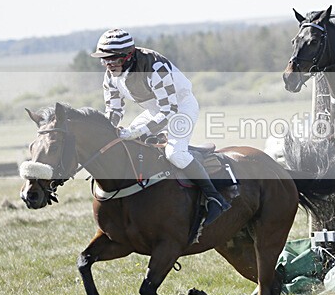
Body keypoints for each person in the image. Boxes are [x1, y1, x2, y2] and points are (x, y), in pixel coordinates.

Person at [90, 29, 231, 225]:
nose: (108, 63)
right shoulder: (110, 75)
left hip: (181, 107)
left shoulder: (155, 66)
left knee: (174, 153)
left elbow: (169, 110)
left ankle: (215, 198)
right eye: (104, 59)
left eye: (113, 58)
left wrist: (137, 131)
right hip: (155, 109)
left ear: (128, 55)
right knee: (127, 143)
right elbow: (113, 110)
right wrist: (106, 133)